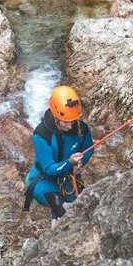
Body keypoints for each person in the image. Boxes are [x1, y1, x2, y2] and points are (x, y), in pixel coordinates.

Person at [24, 85, 95, 223]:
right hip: (44, 179)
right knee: (59, 205)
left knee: (82, 210)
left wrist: (80, 163)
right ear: (56, 117)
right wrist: (70, 163)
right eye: (66, 122)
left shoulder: (81, 128)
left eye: (73, 121)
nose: (70, 126)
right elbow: (49, 169)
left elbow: (89, 148)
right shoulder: (42, 135)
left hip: (68, 177)